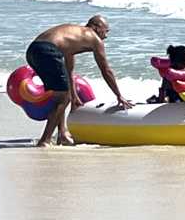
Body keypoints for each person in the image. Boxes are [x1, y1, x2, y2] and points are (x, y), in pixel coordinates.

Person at [25, 15, 133, 147]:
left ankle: (62, 135)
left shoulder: (73, 36)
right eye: (106, 31)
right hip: (48, 51)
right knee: (63, 99)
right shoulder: (94, 38)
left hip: (33, 51)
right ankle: (45, 141)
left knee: (62, 96)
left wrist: (74, 95)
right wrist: (119, 95)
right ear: (96, 28)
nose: (106, 36)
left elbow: (69, 71)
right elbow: (106, 70)